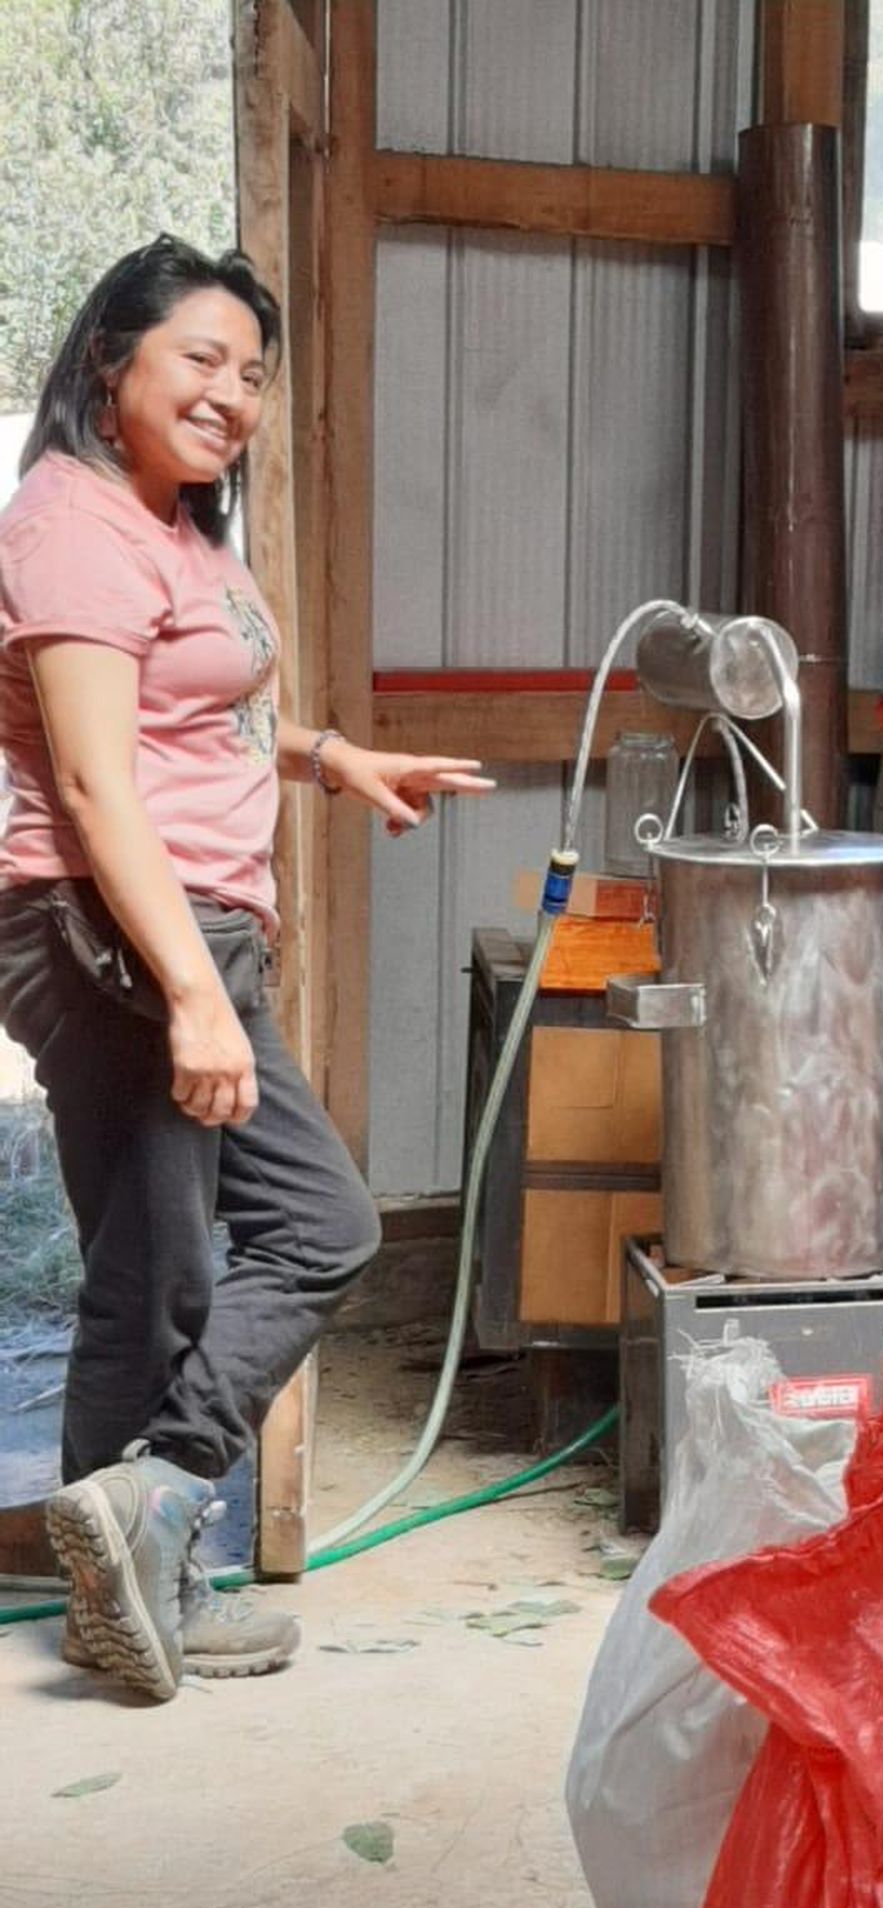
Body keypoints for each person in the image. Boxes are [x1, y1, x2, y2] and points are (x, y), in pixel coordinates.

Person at [0, 236, 492, 1702]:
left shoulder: (172, 521)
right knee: (308, 1229)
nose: (233, 395)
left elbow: (183, 710)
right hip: (119, 931)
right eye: (201, 360)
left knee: (155, 1269)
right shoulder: (75, 520)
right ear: (112, 362)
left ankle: (131, 1567)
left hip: (176, 929)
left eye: (255, 374)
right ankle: (154, 1515)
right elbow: (92, 785)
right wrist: (196, 995)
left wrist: (329, 755)